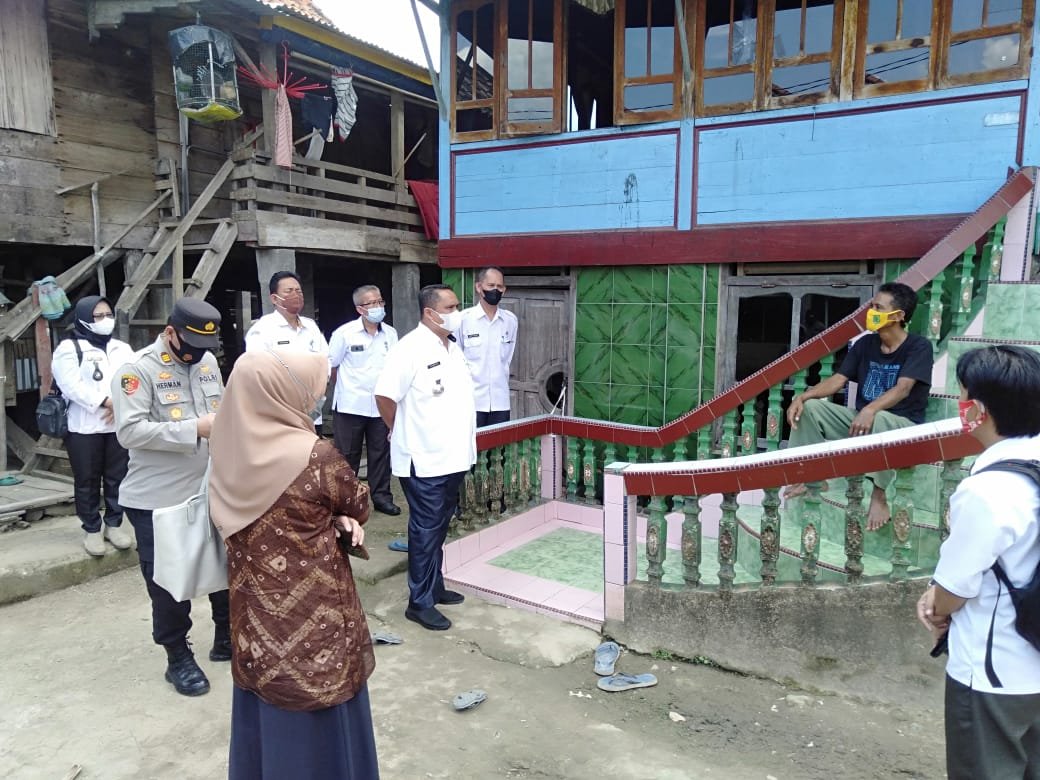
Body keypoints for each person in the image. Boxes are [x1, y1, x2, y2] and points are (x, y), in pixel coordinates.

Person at [209, 350, 379, 780]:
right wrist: (338, 516)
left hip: (255, 613)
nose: (315, 398)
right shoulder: (314, 456)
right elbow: (357, 502)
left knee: (267, 698)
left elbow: (279, 510)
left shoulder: (226, 447)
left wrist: (327, 516)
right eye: (310, 390)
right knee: (321, 705)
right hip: (314, 614)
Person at [916, 345, 1040, 779]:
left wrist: (934, 602)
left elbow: (953, 591)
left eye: (962, 394)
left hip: (994, 672)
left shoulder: (989, 491)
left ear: (978, 411)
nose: (960, 403)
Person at [112, 298, 230, 697]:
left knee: (226, 563)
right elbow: (129, 432)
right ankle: (177, 655)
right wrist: (194, 428)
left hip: (211, 486)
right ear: (169, 332)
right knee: (167, 580)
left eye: (205, 346)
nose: (197, 353)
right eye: (191, 344)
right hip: (158, 496)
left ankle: (226, 637)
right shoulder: (137, 370)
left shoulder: (207, 363)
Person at [785, 282, 933, 530]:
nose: (871, 312)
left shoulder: (919, 347)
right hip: (862, 423)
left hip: (901, 427)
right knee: (809, 408)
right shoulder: (865, 344)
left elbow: (903, 388)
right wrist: (803, 397)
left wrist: (871, 409)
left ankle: (879, 495)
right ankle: (810, 476)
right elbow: (838, 380)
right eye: (872, 306)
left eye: (878, 308)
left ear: (898, 316)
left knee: (880, 417)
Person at [374, 284, 477, 631]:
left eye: (457, 306)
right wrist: (399, 429)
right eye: (451, 307)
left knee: (439, 526)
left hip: (453, 456)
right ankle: (418, 602)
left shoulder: (452, 347)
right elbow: (384, 396)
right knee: (425, 529)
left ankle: (435, 586)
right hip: (424, 458)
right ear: (430, 313)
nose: (457, 313)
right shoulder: (410, 349)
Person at [52, 296, 135, 556]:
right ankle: (91, 529)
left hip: (117, 425)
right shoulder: (69, 348)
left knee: (117, 477)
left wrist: (122, 403)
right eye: (98, 316)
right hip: (84, 427)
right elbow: (71, 385)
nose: (105, 320)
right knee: (87, 479)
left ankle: (114, 524)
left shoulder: (122, 348)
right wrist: (106, 402)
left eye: (108, 315)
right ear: (84, 318)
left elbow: (134, 378)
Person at [329, 285, 400, 516]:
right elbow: (331, 366)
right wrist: (344, 389)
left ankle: (381, 497)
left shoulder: (390, 334)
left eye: (380, 302)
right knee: (347, 455)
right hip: (351, 404)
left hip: (381, 405)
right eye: (372, 303)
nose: (379, 307)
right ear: (360, 309)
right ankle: (346, 502)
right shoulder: (344, 333)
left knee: (381, 453)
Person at [245, 271, 330, 427]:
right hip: (280, 414)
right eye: (289, 291)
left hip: (311, 413)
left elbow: (326, 361)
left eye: (298, 291)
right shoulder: (262, 329)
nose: (295, 295)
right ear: (274, 298)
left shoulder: (310, 326)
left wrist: (320, 388)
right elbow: (255, 370)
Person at [455, 266, 517, 427]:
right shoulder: (463, 320)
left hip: (500, 401)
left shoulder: (510, 321)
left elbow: (507, 358)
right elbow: (456, 359)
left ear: (504, 290)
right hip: (471, 401)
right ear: (479, 287)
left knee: (499, 443)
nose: (495, 290)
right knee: (472, 443)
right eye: (490, 285)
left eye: (499, 286)